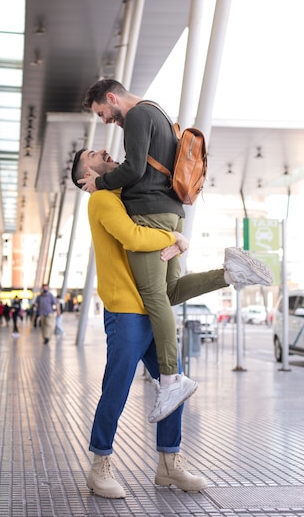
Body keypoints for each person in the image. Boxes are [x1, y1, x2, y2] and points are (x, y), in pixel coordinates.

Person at [71, 148, 274, 498]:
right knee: (116, 388)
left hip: (152, 305)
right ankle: (100, 464)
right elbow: (134, 238)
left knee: (173, 385)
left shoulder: (126, 194)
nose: (103, 151)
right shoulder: (101, 200)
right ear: (85, 176)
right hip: (126, 310)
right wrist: (175, 238)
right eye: (93, 154)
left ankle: (169, 464)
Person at [78, 79, 273, 423]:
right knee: (169, 291)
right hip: (172, 214)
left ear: (111, 98)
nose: (106, 120)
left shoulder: (137, 116)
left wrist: (99, 183)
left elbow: (135, 169)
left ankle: (170, 379)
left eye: (102, 113)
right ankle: (230, 273)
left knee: (154, 297)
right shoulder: (159, 114)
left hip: (151, 216)